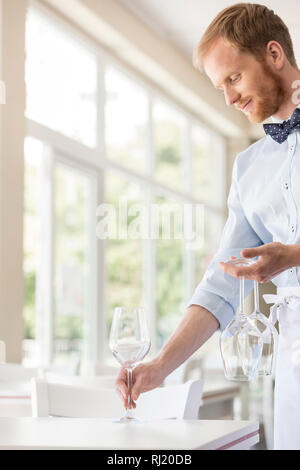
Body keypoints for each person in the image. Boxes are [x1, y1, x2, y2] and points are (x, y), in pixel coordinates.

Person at [116, 3, 300, 450]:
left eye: (234, 78)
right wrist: (161, 364)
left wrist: (293, 256)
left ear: (274, 54)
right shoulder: (248, 169)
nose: (230, 99)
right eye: (221, 87)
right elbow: (221, 283)